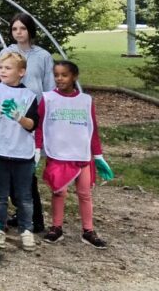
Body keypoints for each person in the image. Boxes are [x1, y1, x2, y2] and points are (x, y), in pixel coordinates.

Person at [37, 61, 109, 249]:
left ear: (74, 77)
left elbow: (92, 128)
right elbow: (40, 125)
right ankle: (56, 227)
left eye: (64, 75)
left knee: (85, 193)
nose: (59, 78)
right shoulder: (48, 98)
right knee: (58, 192)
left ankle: (88, 230)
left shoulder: (86, 100)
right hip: (58, 154)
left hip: (81, 155)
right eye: (57, 74)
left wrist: (98, 154)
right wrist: (37, 149)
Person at [0, 50, 39, 251]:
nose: (3, 71)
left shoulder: (30, 96)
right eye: (1, 68)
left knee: (24, 197)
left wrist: (19, 117)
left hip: (22, 153)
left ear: (21, 72)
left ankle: (26, 230)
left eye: (8, 68)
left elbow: (33, 124)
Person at [6, 13, 53, 232]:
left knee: (27, 168)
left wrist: (44, 115)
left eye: (22, 29)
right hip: (11, 115)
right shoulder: (7, 53)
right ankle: (19, 211)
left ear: (30, 30)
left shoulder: (43, 56)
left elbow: (48, 87)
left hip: (32, 115)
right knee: (9, 165)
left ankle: (35, 217)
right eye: (15, 29)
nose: (18, 33)